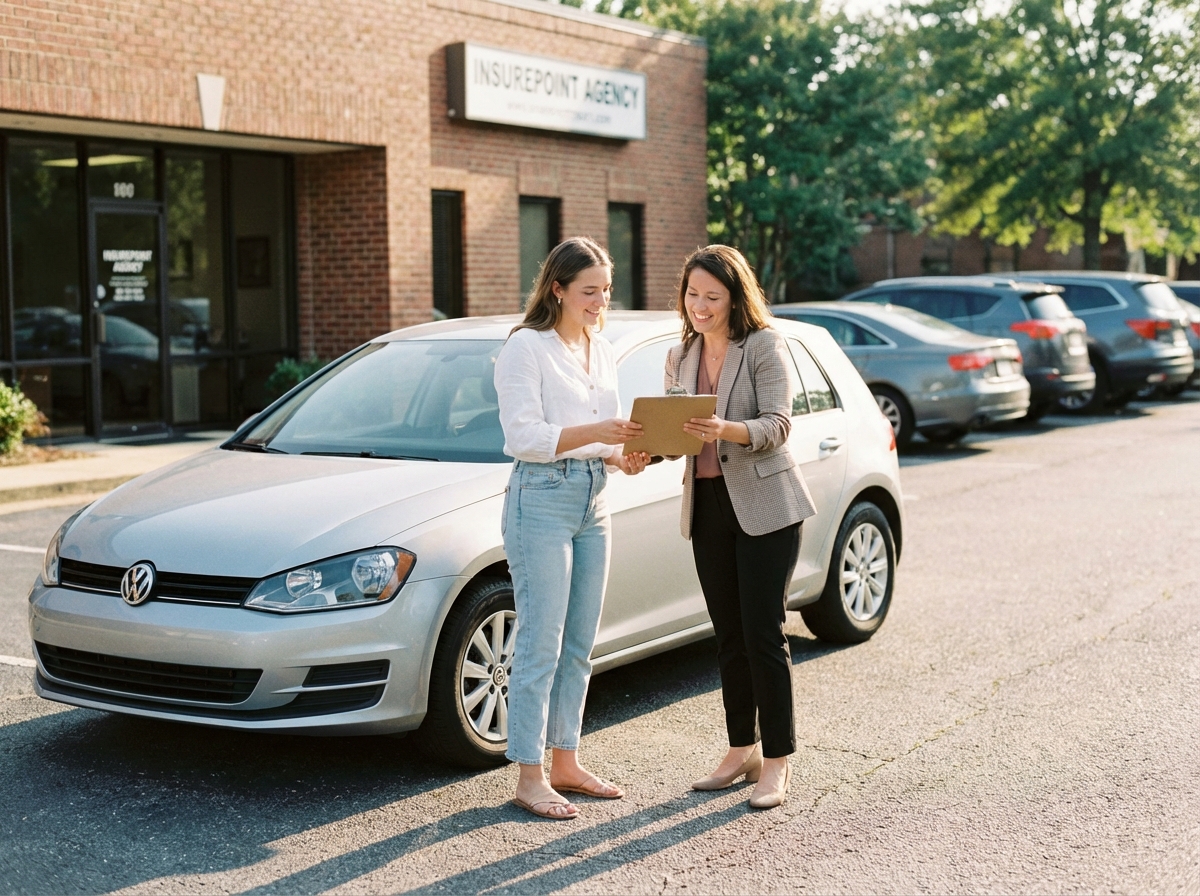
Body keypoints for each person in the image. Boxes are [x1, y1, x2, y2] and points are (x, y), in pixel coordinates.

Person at [494, 236, 651, 820]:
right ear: (556, 288)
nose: (600, 300)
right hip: (541, 499)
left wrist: (624, 454)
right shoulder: (525, 349)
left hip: (595, 497)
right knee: (541, 640)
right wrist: (598, 436)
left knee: (580, 642)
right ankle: (528, 775)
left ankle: (566, 760)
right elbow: (524, 437)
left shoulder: (600, 347)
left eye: (606, 290)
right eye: (589, 291)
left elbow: (602, 434)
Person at [666, 244, 817, 810]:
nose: (700, 306)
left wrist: (724, 429)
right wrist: (648, 447)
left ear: (735, 297)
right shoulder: (679, 354)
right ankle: (740, 750)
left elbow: (778, 425)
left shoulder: (764, 345)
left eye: (712, 296)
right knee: (727, 636)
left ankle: (776, 761)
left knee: (763, 635)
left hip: (766, 506)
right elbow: (678, 435)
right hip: (705, 505)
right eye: (692, 295)